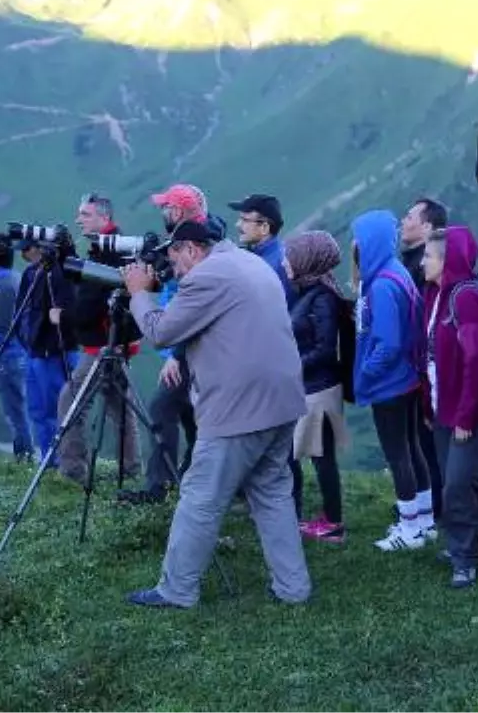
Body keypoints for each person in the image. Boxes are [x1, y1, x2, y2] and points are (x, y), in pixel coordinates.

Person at [121, 219, 310, 608]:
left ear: (191, 249)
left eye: (175, 260)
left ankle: (176, 591)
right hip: (283, 400)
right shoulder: (250, 263)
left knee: (200, 498)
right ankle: (293, 589)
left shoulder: (208, 276)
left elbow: (161, 332)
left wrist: (138, 294)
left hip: (239, 409)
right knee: (272, 493)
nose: (174, 271)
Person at [420, 226, 478, 588]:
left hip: (468, 411)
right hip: (444, 407)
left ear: (447, 260)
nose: (423, 261)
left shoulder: (465, 299)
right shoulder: (437, 295)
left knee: (454, 485)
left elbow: (476, 359)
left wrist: (465, 415)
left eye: (429, 255)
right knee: (465, 481)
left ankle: (463, 556)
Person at [118, 184, 207, 505]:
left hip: (188, 345)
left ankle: (160, 487)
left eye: (166, 207)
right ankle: (194, 477)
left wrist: (176, 354)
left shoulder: (193, 245)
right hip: (185, 343)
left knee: (162, 407)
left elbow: (192, 302)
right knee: (192, 416)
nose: (162, 213)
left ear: (179, 211)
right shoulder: (188, 241)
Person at [350, 209, 433, 551]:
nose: (354, 243)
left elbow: (389, 342)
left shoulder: (382, 285)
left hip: (390, 384)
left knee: (397, 454)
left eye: (358, 237)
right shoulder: (394, 271)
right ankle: (425, 520)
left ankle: (409, 528)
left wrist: (367, 371)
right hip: (408, 379)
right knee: (412, 448)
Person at [57, 193, 140, 486]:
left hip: (105, 344)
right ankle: (129, 468)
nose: (79, 219)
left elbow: (93, 299)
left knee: (71, 400)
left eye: (85, 214)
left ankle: (73, 469)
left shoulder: (110, 249)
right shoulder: (109, 246)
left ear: (104, 218)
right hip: (114, 341)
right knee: (120, 407)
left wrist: (66, 317)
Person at [284, 230, 352, 543]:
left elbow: (325, 349)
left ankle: (334, 525)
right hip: (312, 387)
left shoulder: (322, 298)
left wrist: (291, 366)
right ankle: (327, 519)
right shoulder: (311, 291)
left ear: (307, 260)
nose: (286, 261)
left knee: (320, 457)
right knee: (315, 455)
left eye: (291, 255)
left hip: (318, 389)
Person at [398, 196, 449, 520]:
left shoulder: (421, 267)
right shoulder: (413, 261)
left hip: (422, 369)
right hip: (418, 367)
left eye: (410, 216)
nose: (403, 221)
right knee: (420, 439)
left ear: (428, 226)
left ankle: (437, 507)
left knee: (426, 441)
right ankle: (431, 502)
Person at [16, 239, 79, 466]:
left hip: (53, 350)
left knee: (55, 409)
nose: (23, 255)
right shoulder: (31, 274)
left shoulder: (60, 273)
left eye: (27, 249)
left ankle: (61, 462)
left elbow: (69, 307)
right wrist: (25, 339)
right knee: (38, 410)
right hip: (35, 350)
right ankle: (47, 459)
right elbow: (21, 310)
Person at [0, 235, 33, 462]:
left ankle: (24, 455)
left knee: (15, 410)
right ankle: (26, 453)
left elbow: (2, 328)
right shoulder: (15, 279)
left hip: (8, 355)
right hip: (19, 353)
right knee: (21, 407)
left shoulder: (3, 286)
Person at [229, 193, 293, 304]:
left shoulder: (273, 266)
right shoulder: (266, 257)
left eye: (245, 220)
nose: (238, 225)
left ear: (264, 227)